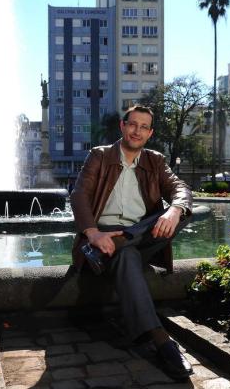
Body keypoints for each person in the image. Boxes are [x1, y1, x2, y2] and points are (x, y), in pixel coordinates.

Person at [70, 105, 193, 381]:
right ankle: (162, 340)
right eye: (132, 124)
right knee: (127, 258)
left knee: (182, 212)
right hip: (104, 238)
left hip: (142, 235)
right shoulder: (99, 156)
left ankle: (127, 239)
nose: (137, 131)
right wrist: (93, 234)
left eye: (144, 127)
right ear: (123, 127)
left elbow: (180, 189)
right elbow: (79, 195)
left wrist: (174, 210)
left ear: (150, 133)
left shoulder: (155, 160)